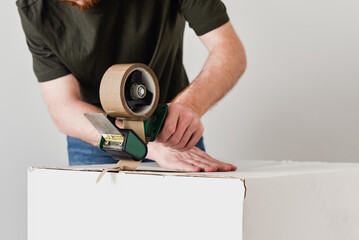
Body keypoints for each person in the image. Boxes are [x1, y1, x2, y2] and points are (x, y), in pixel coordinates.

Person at [17, 0, 246, 172]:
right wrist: (143, 146)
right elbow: (62, 106)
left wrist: (191, 105)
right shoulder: (35, 7)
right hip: (95, 135)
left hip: (171, 129)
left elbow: (229, 50)